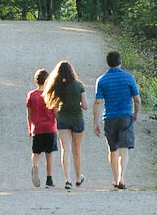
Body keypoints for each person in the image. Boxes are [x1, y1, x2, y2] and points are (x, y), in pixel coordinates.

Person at [93, 50, 141, 189]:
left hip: (110, 117)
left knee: (113, 149)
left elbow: (98, 102)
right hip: (126, 115)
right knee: (124, 148)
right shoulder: (129, 78)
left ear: (108, 63)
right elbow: (137, 99)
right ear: (120, 62)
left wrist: (95, 122)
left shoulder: (101, 80)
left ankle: (115, 179)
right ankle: (122, 178)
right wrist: (135, 113)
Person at [43, 60, 87, 190]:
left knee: (65, 150)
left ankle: (68, 180)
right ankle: (78, 178)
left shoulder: (57, 87)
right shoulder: (79, 86)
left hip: (63, 120)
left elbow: (54, 107)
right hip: (77, 119)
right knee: (76, 150)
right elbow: (85, 106)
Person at [25, 68, 58, 188]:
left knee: (36, 152)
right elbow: (55, 112)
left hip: (37, 127)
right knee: (49, 154)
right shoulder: (51, 94)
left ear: (36, 81)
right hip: (49, 127)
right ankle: (49, 179)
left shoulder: (31, 95)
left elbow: (29, 114)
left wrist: (30, 128)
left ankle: (34, 166)